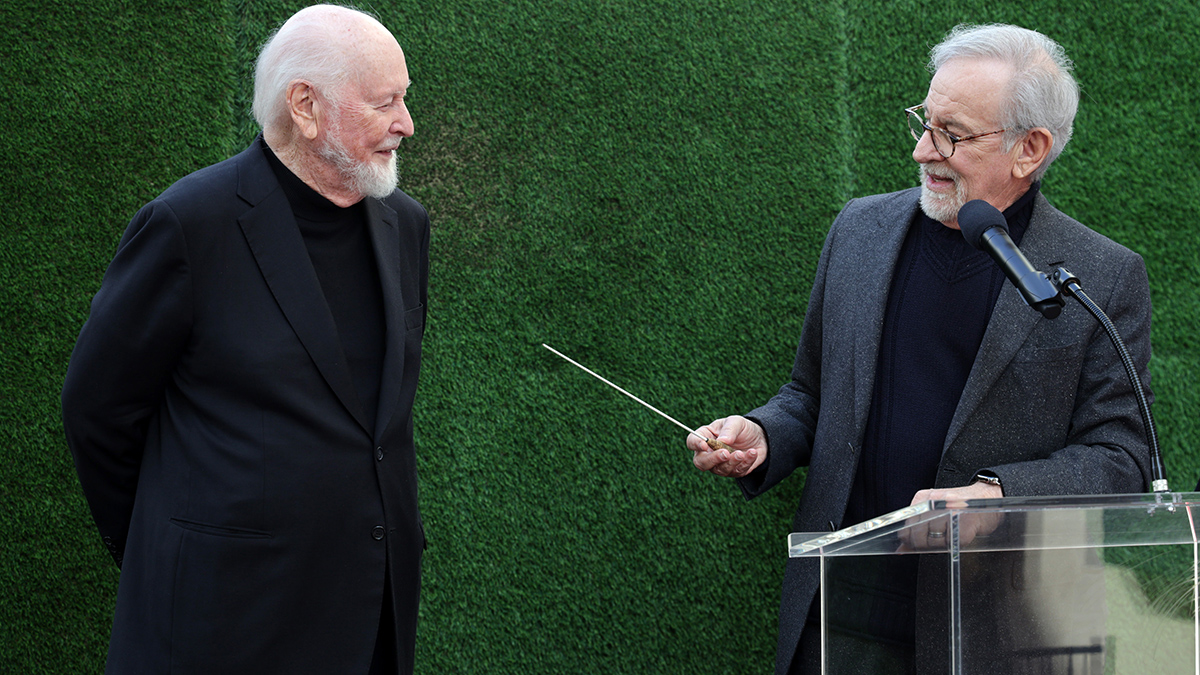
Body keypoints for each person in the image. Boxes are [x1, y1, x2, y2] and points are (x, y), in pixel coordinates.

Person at [687, 24, 1153, 675]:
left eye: (952, 134)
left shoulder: (1100, 276)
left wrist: (997, 495)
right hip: (840, 611)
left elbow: (1123, 456)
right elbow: (812, 393)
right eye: (923, 121)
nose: (921, 151)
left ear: (1031, 148)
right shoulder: (859, 229)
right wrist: (764, 434)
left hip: (996, 628)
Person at [61, 5, 429, 673]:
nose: (407, 123)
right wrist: (170, 548)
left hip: (371, 621)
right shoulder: (188, 223)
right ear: (307, 107)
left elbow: (378, 424)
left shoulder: (405, 225)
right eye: (387, 103)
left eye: (405, 99)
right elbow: (98, 411)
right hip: (222, 626)